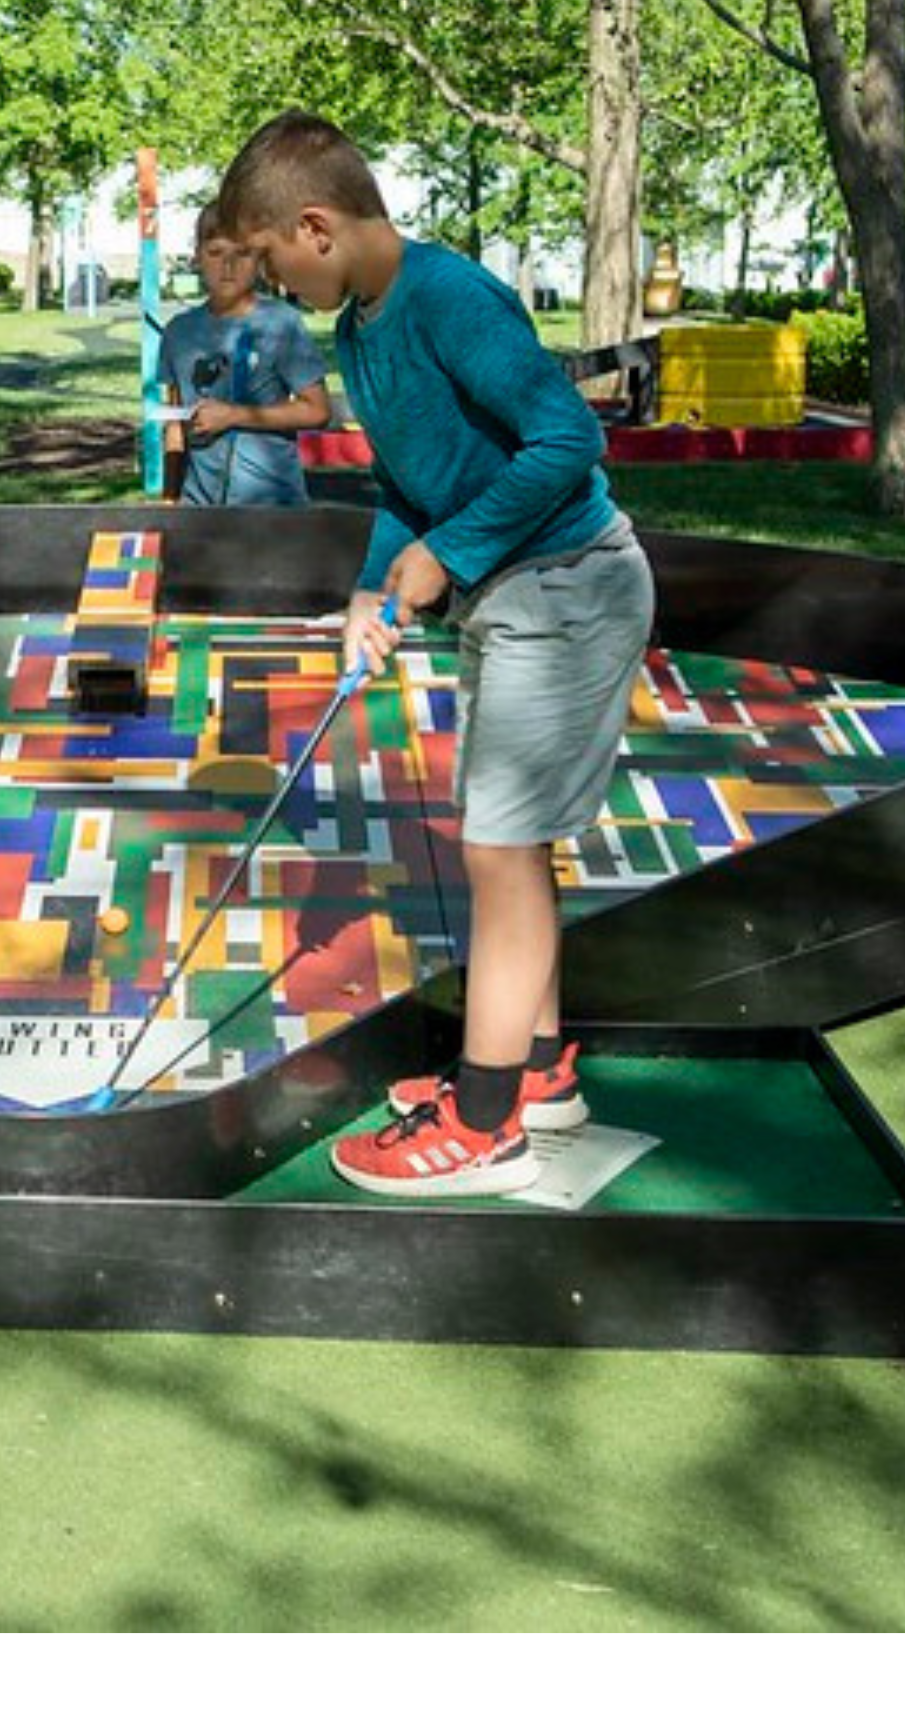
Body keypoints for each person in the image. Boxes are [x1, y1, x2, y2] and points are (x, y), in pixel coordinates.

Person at [214, 111, 655, 1198]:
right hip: (508, 596)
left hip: (569, 588)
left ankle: (487, 1120)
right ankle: (540, 1073)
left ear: (315, 227)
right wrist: (376, 582)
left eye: (271, 263)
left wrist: (445, 556)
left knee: (500, 852)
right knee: (512, 848)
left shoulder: (449, 298)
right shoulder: (361, 330)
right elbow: (411, 486)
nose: (272, 288)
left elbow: (569, 439)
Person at [158, 202, 337, 507]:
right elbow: (175, 424)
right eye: (215, 253)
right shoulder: (178, 332)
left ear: (259, 260)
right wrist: (170, 498)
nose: (228, 266)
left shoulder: (281, 323)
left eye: (241, 253)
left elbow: (317, 410)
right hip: (199, 508)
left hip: (272, 507)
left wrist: (234, 416)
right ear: (198, 256)